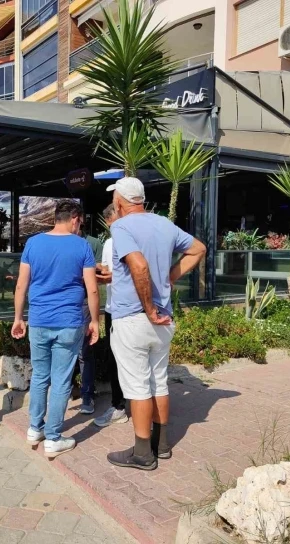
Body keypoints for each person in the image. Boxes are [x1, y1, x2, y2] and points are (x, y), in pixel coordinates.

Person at [106, 177, 206, 471]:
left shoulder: (121, 226)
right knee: (158, 381)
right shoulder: (165, 224)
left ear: (120, 202)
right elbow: (198, 248)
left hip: (135, 318)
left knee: (137, 387)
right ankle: (161, 446)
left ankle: (142, 453)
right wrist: (171, 277)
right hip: (163, 320)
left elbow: (138, 265)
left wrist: (149, 307)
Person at [12, 200, 100, 458]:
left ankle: (34, 428)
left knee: (40, 376)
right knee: (61, 380)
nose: (80, 226)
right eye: (80, 222)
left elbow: (21, 285)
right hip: (69, 321)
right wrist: (95, 320)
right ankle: (53, 437)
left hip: (39, 319)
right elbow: (92, 288)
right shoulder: (82, 246)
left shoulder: (33, 243)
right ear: (74, 218)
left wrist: (19, 317)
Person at [94, 204, 128, 427]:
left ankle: (120, 407)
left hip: (122, 309)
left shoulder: (120, 239)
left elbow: (108, 273)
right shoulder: (109, 242)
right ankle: (121, 405)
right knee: (119, 357)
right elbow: (106, 270)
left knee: (122, 357)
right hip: (116, 308)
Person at [77, 221, 103, 415]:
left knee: (85, 351)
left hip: (86, 302)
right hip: (66, 304)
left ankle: (87, 394)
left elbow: (102, 270)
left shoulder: (93, 243)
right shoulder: (62, 241)